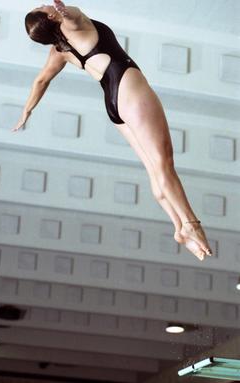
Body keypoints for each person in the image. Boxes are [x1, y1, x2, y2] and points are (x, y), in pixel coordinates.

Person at [13, 0, 212, 261]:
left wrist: (27, 111)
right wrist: (62, 11)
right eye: (43, 6)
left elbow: (41, 80)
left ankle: (178, 226)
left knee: (153, 168)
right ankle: (190, 223)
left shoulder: (58, 51)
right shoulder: (74, 23)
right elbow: (71, 15)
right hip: (128, 88)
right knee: (164, 163)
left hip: (112, 101)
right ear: (49, 16)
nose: (43, 3)